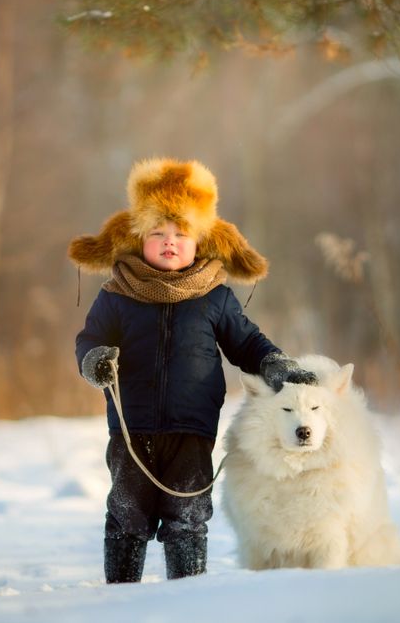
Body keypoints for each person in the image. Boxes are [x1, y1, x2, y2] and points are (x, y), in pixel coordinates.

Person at [69, 157, 317, 583]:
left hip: (192, 429)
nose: (170, 241)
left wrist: (277, 366)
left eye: (181, 233)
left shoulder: (214, 299)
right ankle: (119, 596)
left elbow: (248, 344)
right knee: (128, 510)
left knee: (187, 512)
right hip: (132, 430)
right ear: (138, 238)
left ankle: (187, 596)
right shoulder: (118, 295)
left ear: (199, 241)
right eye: (158, 233)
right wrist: (96, 361)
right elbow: (88, 340)